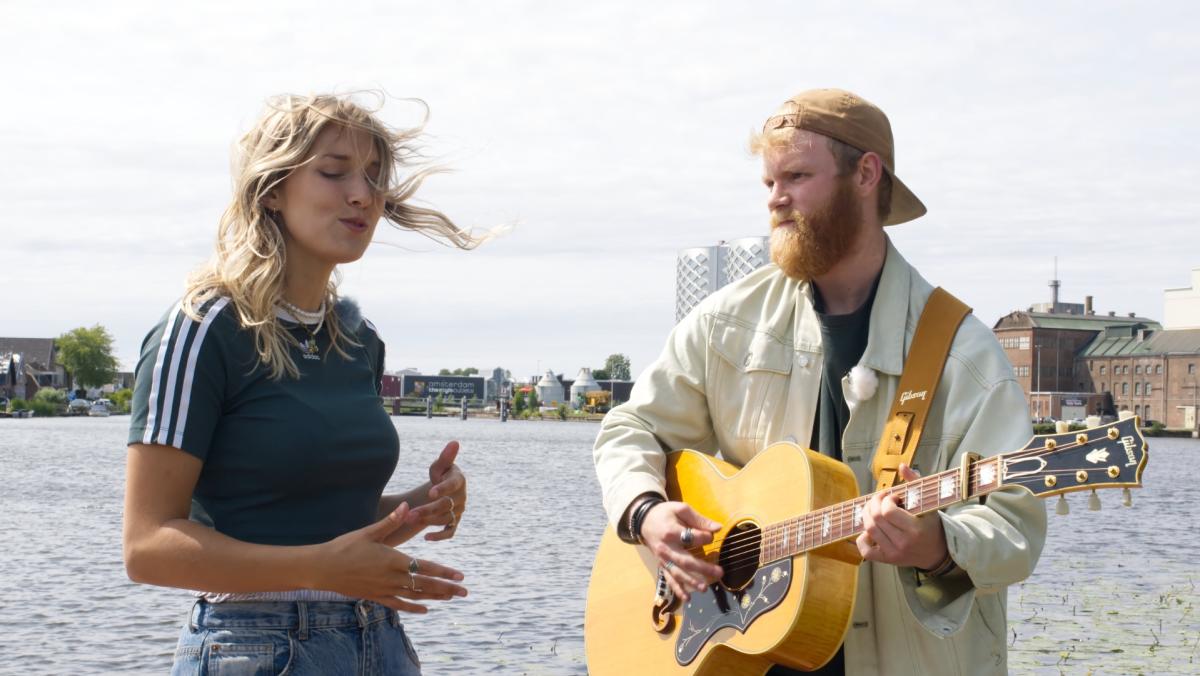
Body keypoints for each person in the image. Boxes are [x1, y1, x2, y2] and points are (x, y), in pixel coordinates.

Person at [592, 89, 1047, 675]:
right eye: (768, 183)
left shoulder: (964, 354)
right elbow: (631, 427)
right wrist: (645, 512)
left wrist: (937, 545)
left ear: (865, 173)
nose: (776, 200)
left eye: (797, 176)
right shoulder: (726, 321)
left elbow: (1015, 524)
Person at [123, 93, 487, 675]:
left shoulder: (357, 338)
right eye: (334, 171)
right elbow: (147, 549)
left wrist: (417, 509)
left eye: (374, 177)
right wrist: (320, 568)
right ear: (271, 188)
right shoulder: (203, 328)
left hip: (380, 641)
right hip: (255, 646)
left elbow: (323, 526)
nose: (363, 194)